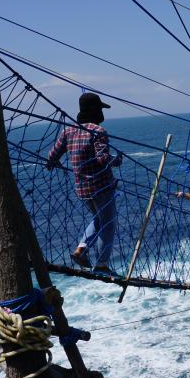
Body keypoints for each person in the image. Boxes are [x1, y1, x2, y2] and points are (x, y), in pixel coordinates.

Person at [46, 92, 122, 275]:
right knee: (109, 223)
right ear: (95, 110)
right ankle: (102, 265)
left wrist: (55, 163)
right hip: (102, 187)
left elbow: (51, 157)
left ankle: (81, 249)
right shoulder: (98, 131)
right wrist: (117, 160)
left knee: (98, 219)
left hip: (82, 189)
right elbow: (102, 158)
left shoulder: (68, 131)